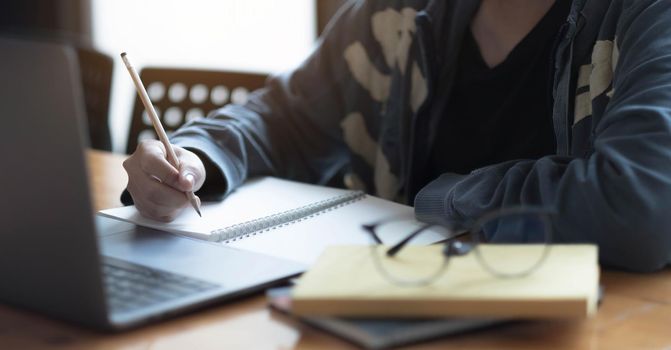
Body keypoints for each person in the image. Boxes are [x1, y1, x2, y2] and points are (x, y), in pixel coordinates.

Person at [122, 0, 671, 272]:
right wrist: (194, 155)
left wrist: (438, 199)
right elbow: (284, 119)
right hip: (406, 310)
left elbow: (640, 207)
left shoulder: (647, 17)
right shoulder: (399, 13)